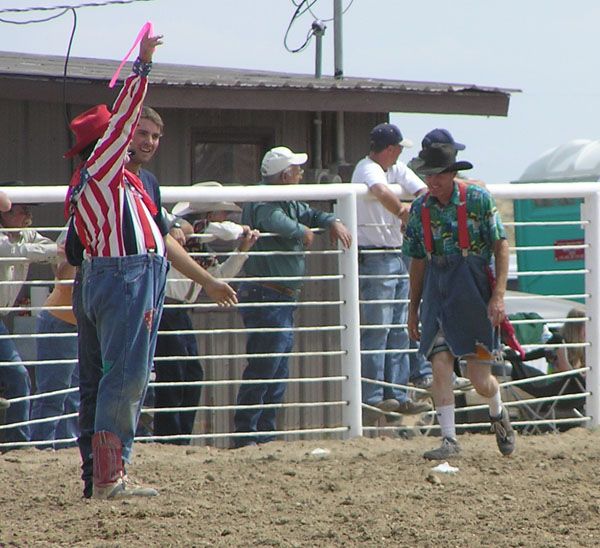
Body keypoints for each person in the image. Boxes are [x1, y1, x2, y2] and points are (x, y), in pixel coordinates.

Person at [64, 29, 237, 500]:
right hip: (125, 276)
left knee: (105, 378)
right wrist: (142, 65)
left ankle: (100, 475)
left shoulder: (101, 182)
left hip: (111, 276)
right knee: (126, 376)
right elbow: (123, 119)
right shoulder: (107, 171)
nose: (137, 140)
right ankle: (108, 475)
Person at [233, 146, 352, 448]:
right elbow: (272, 219)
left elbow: (310, 213)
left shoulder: (285, 198)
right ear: (286, 175)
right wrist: (302, 230)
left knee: (276, 366)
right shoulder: (264, 197)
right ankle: (249, 433)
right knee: (266, 365)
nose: (301, 175)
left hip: (278, 296)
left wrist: (330, 221)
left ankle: (262, 433)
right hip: (267, 294)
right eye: (297, 170)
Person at [403, 142, 516, 460]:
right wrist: (413, 307)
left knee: (479, 379)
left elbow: (501, 246)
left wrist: (498, 296)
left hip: (473, 293)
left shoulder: (478, 200)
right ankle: (449, 439)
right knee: (440, 362)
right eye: (427, 175)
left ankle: (497, 409)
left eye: (437, 175)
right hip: (437, 294)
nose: (431, 182)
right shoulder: (420, 208)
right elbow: (418, 260)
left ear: (452, 173)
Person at [153, 182, 259, 444]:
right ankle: (170, 438)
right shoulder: (185, 230)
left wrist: (241, 251)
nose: (225, 218)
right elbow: (219, 231)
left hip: (178, 310)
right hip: (166, 307)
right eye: (221, 213)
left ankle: (178, 437)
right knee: (175, 372)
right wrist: (240, 231)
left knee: (189, 373)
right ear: (210, 215)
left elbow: (218, 278)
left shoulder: (198, 243)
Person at [350, 123, 432, 424]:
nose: (399, 154)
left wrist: (410, 211)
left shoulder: (389, 168)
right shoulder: (369, 169)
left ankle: (394, 395)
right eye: (397, 149)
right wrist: (404, 213)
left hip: (392, 254)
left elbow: (421, 189)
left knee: (396, 327)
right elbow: (381, 190)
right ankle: (377, 395)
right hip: (378, 255)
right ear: (391, 149)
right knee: (382, 327)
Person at [0, 182, 61, 447]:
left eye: (29, 210)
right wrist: (52, 252)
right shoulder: (11, 239)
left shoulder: (26, 234)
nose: (28, 216)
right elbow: (13, 252)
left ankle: (17, 444)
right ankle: (18, 442)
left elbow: (47, 249)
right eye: (22, 210)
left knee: (17, 376)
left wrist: (54, 251)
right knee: (16, 375)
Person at [30, 255, 79, 449]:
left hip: (83, 324)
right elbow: (62, 273)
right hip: (61, 320)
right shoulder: (78, 230)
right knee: (53, 394)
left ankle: (66, 448)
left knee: (75, 396)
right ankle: (41, 448)